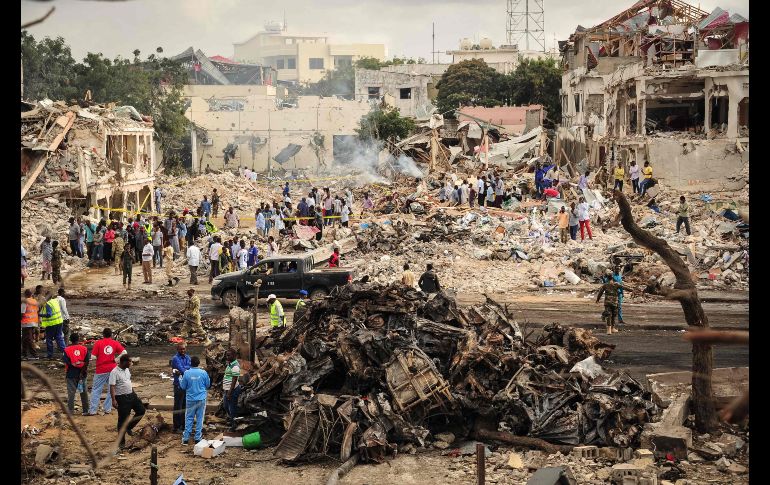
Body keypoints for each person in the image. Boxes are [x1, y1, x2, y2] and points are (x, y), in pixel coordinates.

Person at [88, 328, 127, 415]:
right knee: (111, 390)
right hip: (112, 369)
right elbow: (124, 352)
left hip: (101, 369)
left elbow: (93, 357)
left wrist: (100, 357)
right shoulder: (115, 343)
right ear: (111, 335)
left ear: (103, 334)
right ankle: (107, 408)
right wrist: (117, 359)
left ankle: (93, 410)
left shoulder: (98, 343)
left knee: (96, 390)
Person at [110, 354, 145, 449]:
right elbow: (112, 386)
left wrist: (133, 393)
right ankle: (121, 442)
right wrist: (113, 400)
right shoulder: (114, 372)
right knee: (122, 420)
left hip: (131, 395)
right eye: (129, 361)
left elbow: (128, 381)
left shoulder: (127, 370)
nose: (131, 363)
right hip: (122, 397)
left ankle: (129, 427)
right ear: (124, 362)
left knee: (141, 410)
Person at [179, 355, 210, 445]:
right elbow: (208, 385)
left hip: (190, 400)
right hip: (201, 399)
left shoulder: (186, 373)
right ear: (199, 363)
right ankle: (197, 438)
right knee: (200, 418)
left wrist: (180, 378)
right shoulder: (203, 373)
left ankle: (185, 439)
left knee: (189, 418)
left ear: (190, 363)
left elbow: (183, 386)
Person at [63, 332, 89, 415]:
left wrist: (74, 365)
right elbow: (87, 362)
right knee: (84, 392)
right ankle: (86, 410)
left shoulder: (66, 350)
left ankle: (70, 411)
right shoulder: (84, 349)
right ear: (78, 340)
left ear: (70, 340)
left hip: (71, 374)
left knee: (71, 393)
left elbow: (67, 362)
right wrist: (82, 372)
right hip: (82, 374)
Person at [170, 343, 191, 434]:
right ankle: (176, 426)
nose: (182, 351)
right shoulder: (175, 359)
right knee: (178, 406)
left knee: (184, 406)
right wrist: (185, 369)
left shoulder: (188, 357)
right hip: (178, 385)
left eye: (184, 349)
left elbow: (188, 369)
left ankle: (183, 425)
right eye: (180, 349)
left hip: (186, 385)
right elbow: (183, 370)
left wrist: (184, 369)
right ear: (177, 349)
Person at [40, 290, 67, 359]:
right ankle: (66, 353)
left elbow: (49, 314)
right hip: (59, 322)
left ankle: (50, 355)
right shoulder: (55, 301)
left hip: (51, 324)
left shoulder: (48, 304)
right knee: (59, 338)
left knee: (49, 339)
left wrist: (40, 314)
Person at [596, 269, 623, 335]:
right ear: (613, 278)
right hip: (614, 303)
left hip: (607, 303)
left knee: (609, 315)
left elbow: (600, 293)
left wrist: (597, 299)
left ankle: (609, 330)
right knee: (613, 316)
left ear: (607, 278)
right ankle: (612, 328)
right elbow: (624, 287)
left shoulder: (605, 285)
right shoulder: (616, 284)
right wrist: (633, 290)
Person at [223, 348, 241, 431]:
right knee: (226, 406)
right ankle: (232, 420)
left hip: (232, 390)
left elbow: (234, 380)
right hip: (227, 389)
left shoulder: (235, 366)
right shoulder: (229, 364)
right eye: (226, 355)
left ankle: (234, 425)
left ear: (234, 355)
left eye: (229, 355)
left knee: (232, 407)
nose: (227, 357)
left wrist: (229, 392)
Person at [21, 289, 39, 360]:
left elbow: (22, 313)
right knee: (25, 339)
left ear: (25, 295)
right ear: (31, 294)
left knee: (28, 339)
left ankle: (35, 355)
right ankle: (24, 354)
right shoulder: (34, 301)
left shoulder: (25, 302)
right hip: (33, 322)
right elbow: (37, 310)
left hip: (26, 323)